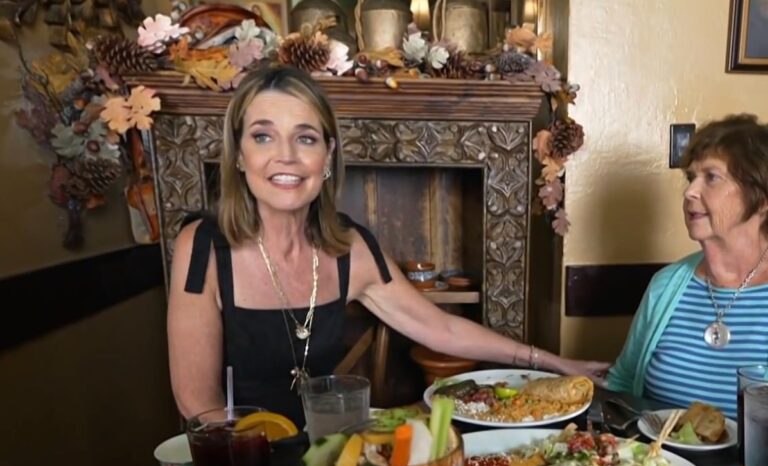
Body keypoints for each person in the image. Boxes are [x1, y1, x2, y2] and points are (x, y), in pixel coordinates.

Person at [168, 65, 609, 427]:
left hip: (328, 456)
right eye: (262, 136)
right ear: (240, 156)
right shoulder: (202, 247)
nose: (285, 155)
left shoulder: (349, 247)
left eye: (305, 138)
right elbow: (197, 403)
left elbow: (442, 330)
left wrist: (550, 362)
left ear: (327, 157)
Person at [606, 114, 768, 448]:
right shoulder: (666, 285)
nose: (689, 192)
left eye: (711, 177)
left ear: (763, 197)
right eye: (691, 177)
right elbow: (621, 390)